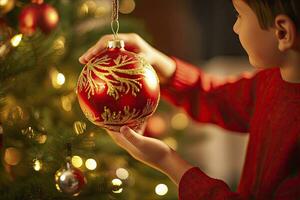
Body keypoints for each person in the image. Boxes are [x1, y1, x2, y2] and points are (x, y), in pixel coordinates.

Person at [79, 0, 300, 199]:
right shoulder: (272, 80)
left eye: (239, 15)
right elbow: (219, 99)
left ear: (282, 32)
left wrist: (167, 161)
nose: (235, 27)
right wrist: (164, 66)